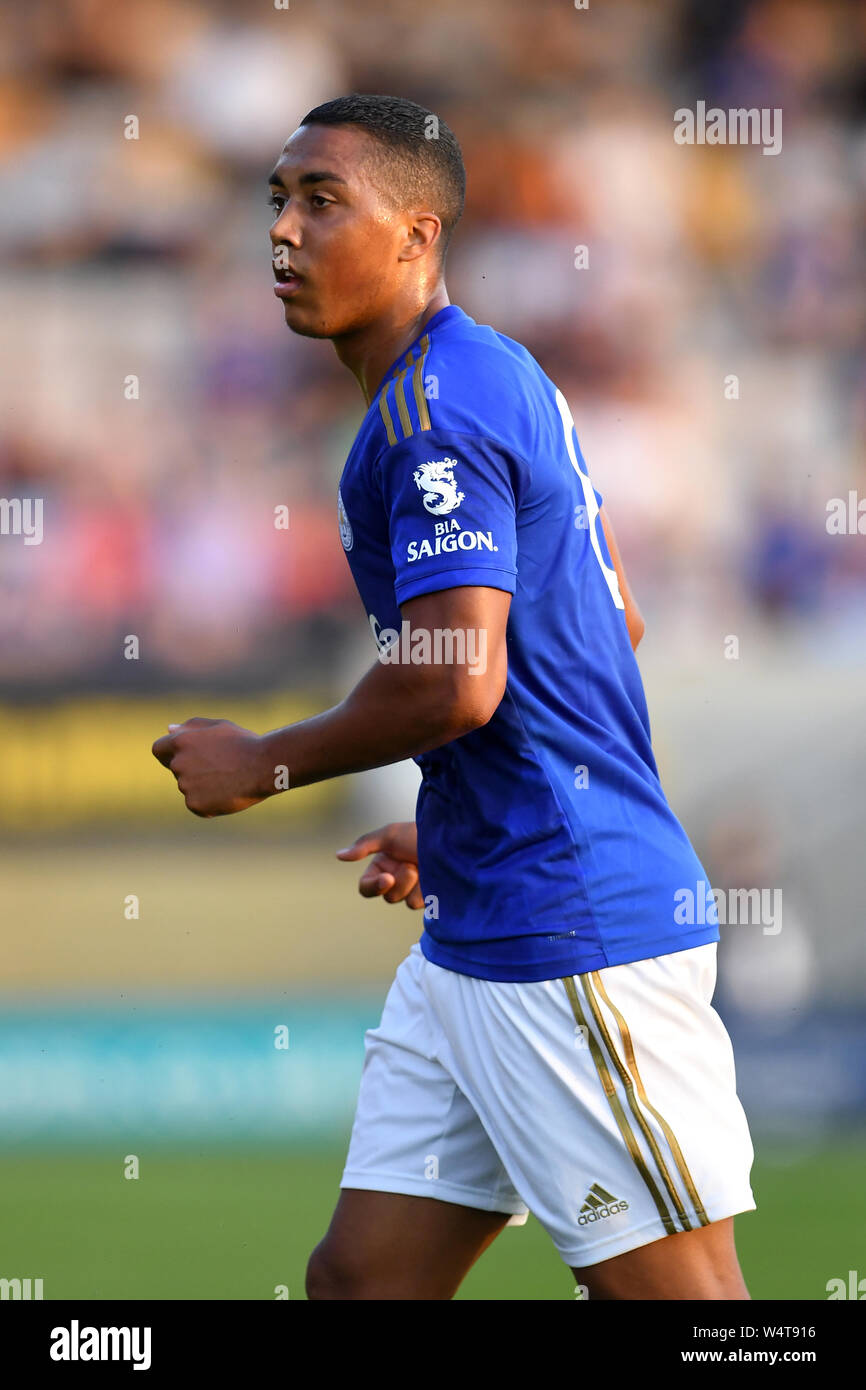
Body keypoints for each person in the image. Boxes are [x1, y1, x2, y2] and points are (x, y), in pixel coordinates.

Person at [152, 93, 755, 1300]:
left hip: (566, 930)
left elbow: (461, 678)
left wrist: (262, 761)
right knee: (362, 1283)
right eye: (276, 200)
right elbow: (605, 620)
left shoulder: (437, 413)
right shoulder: (486, 375)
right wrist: (460, 816)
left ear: (418, 234)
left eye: (323, 201)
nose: (282, 231)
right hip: (484, 911)